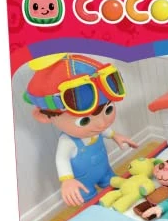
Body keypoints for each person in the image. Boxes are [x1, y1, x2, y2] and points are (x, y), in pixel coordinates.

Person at [24, 53, 138, 206]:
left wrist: (115, 135)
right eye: (84, 120)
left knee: (115, 187)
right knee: (94, 205)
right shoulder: (67, 142)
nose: (101, 124)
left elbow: (104, 131)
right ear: (43, 116)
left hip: (105, 171)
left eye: (108, 109)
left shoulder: (97, 130)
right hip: (84, 183)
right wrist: (67, 180)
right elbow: (61, 159)